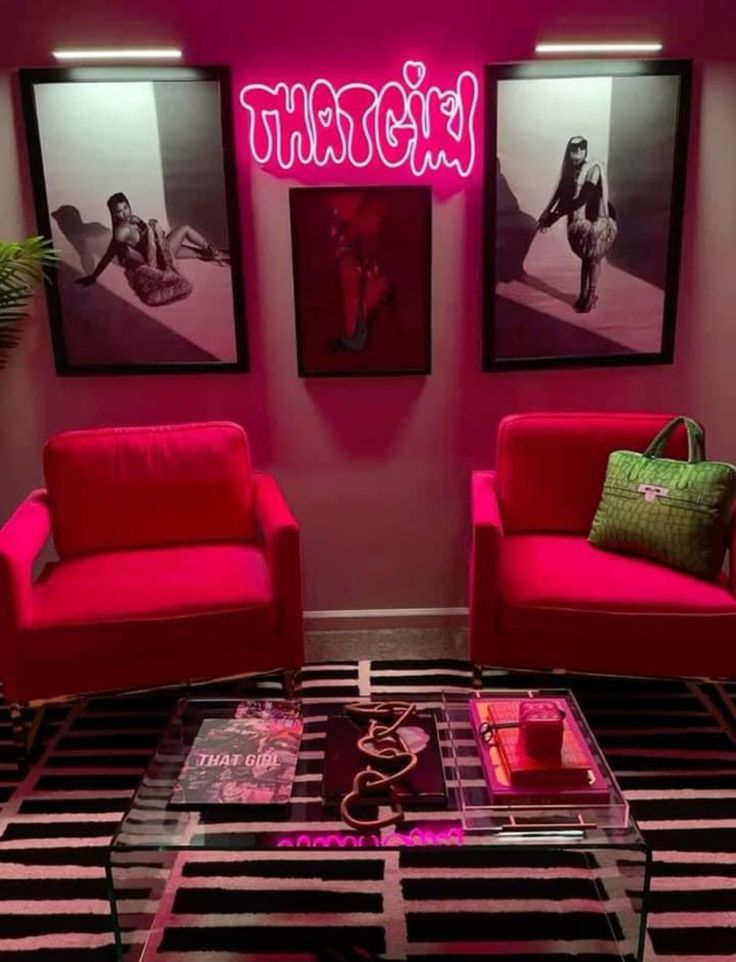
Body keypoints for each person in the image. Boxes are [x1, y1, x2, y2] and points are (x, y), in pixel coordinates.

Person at [75, 192, 228, 306]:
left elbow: (144, 235)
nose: (124, 213)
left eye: (125, 208)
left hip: (159, 250)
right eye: (119, 212)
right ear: (114, 214)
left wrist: (142, 222)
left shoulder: (131, 220)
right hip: (156, 258)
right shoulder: (121, 230)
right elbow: (110, 253)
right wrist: (94, 275)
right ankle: (214, 251)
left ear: (128, 205)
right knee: (184, 229)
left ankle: (216, 255)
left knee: (197, 254)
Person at [536, 136, 618, 313]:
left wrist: (555, 215)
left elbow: (583, 197)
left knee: (594, 257)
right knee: (585, 257)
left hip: (596, 217)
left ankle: (590, 296)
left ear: (585, 150)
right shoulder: (569, 170)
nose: (577, 153)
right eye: (574, 150)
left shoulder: (593, 169)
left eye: (581, 149)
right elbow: (561, 193)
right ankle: (583, 295)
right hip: (578, 216)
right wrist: (548, 214)